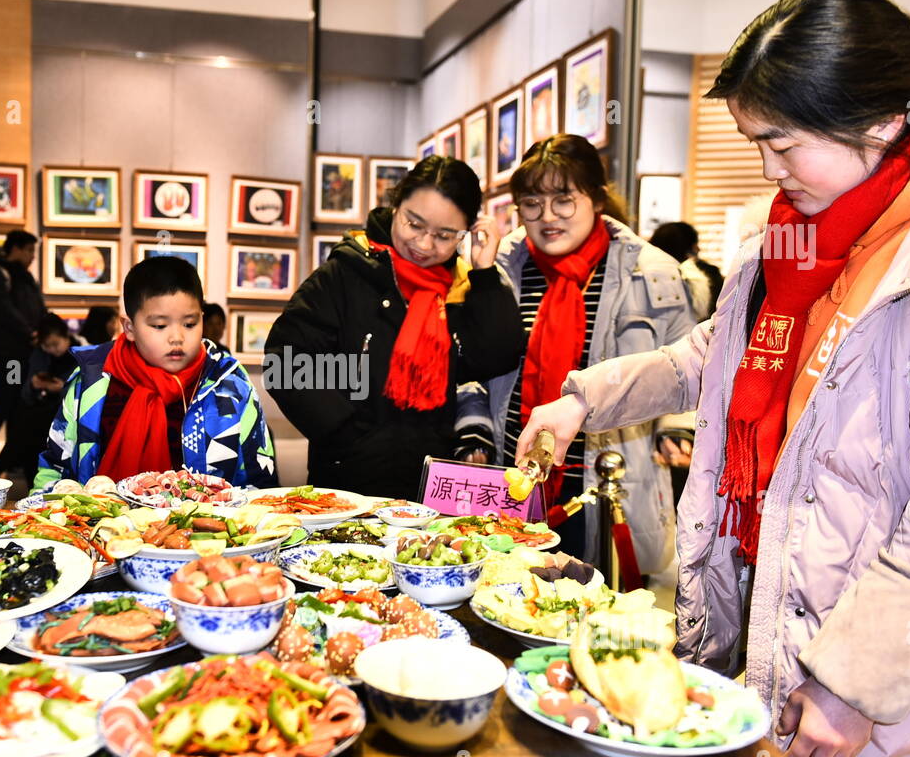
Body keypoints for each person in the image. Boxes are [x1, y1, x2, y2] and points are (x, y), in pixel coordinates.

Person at [518, 0, 910, 757]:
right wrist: (584, 397)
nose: (768, 170)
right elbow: (709, 353)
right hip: (770, 625)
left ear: (878, 120)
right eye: (754, 141)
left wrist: (858, 681)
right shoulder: (793, 236)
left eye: (784, 143)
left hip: (892, 705)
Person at [454, 135, 695, 572]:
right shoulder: (497, 264)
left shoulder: (651, 271)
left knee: (595, 606)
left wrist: (678, 428)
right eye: (531, 203)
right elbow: (467, 359)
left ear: (597, 198)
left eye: (564, 200)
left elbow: (686, 361)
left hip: (605, 477)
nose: (547, 218)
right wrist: (473, 426)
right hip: (510, 475)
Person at [265, 155, 524, 500]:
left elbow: (496, 359)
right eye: (414, 224)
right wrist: (348, 433)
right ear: (396, 205)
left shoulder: (461, 288)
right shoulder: (346, 275)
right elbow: (286, 362)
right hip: (348, 488)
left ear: (465, 233)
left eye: (445, 235)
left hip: (436, 492)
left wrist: (486, 273)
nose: (424, 244)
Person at [34, 256, 278, 490]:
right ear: (129, 327)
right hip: (104, 527)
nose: (176, 337)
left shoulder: (228, 382)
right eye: (160, 326)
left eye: (190, 324)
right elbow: (56, 468)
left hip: (209, 530)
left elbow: (260, 477)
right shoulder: (91, 379)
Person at [0, 229, 44, 475]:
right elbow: (0, 309)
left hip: (24, 354)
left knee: (17, 404)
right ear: (15, 248)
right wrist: (29, 332)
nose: (32, 256)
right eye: (29, 250)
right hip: (9, 357)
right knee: (4, 402)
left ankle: (14, 457)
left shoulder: (24, 276)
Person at [0, 314, 78, 476]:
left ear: (66, 336)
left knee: (30, 424)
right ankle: (11, 467)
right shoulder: (40, 355)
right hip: (40, 405)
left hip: (66, 407)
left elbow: (80, 390)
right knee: (25, 419)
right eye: (46, 346)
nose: (51, 350)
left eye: (55, 344)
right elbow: (26, 392)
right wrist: (34, 384)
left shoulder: (79, 353)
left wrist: (61, 388)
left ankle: (1, 464)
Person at [650, 221, 723, 319]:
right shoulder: (709, 274)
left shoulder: (645, 272)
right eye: (695, 244)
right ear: (690, 247)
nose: (698, 249)